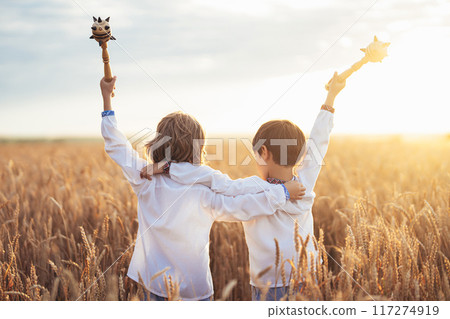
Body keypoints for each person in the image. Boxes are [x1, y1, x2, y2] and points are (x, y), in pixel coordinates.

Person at [140, 72, 346, 300]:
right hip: (309, 277)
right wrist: (331, 97)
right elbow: (319, 141)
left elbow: (213, 179)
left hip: (269, 283)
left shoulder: (253, 187)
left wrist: (170, 168)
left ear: (264, 153)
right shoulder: (304, 184)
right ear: (301, 155)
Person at [99, 76, 305, 301]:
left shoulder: (145, 178)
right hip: (194, 290)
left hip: (153, 284)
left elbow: (116, 144)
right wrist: (282, 193)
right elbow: (242, 206)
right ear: (198, 148)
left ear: (159, 143)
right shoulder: (204, 193)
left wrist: (107, 97)